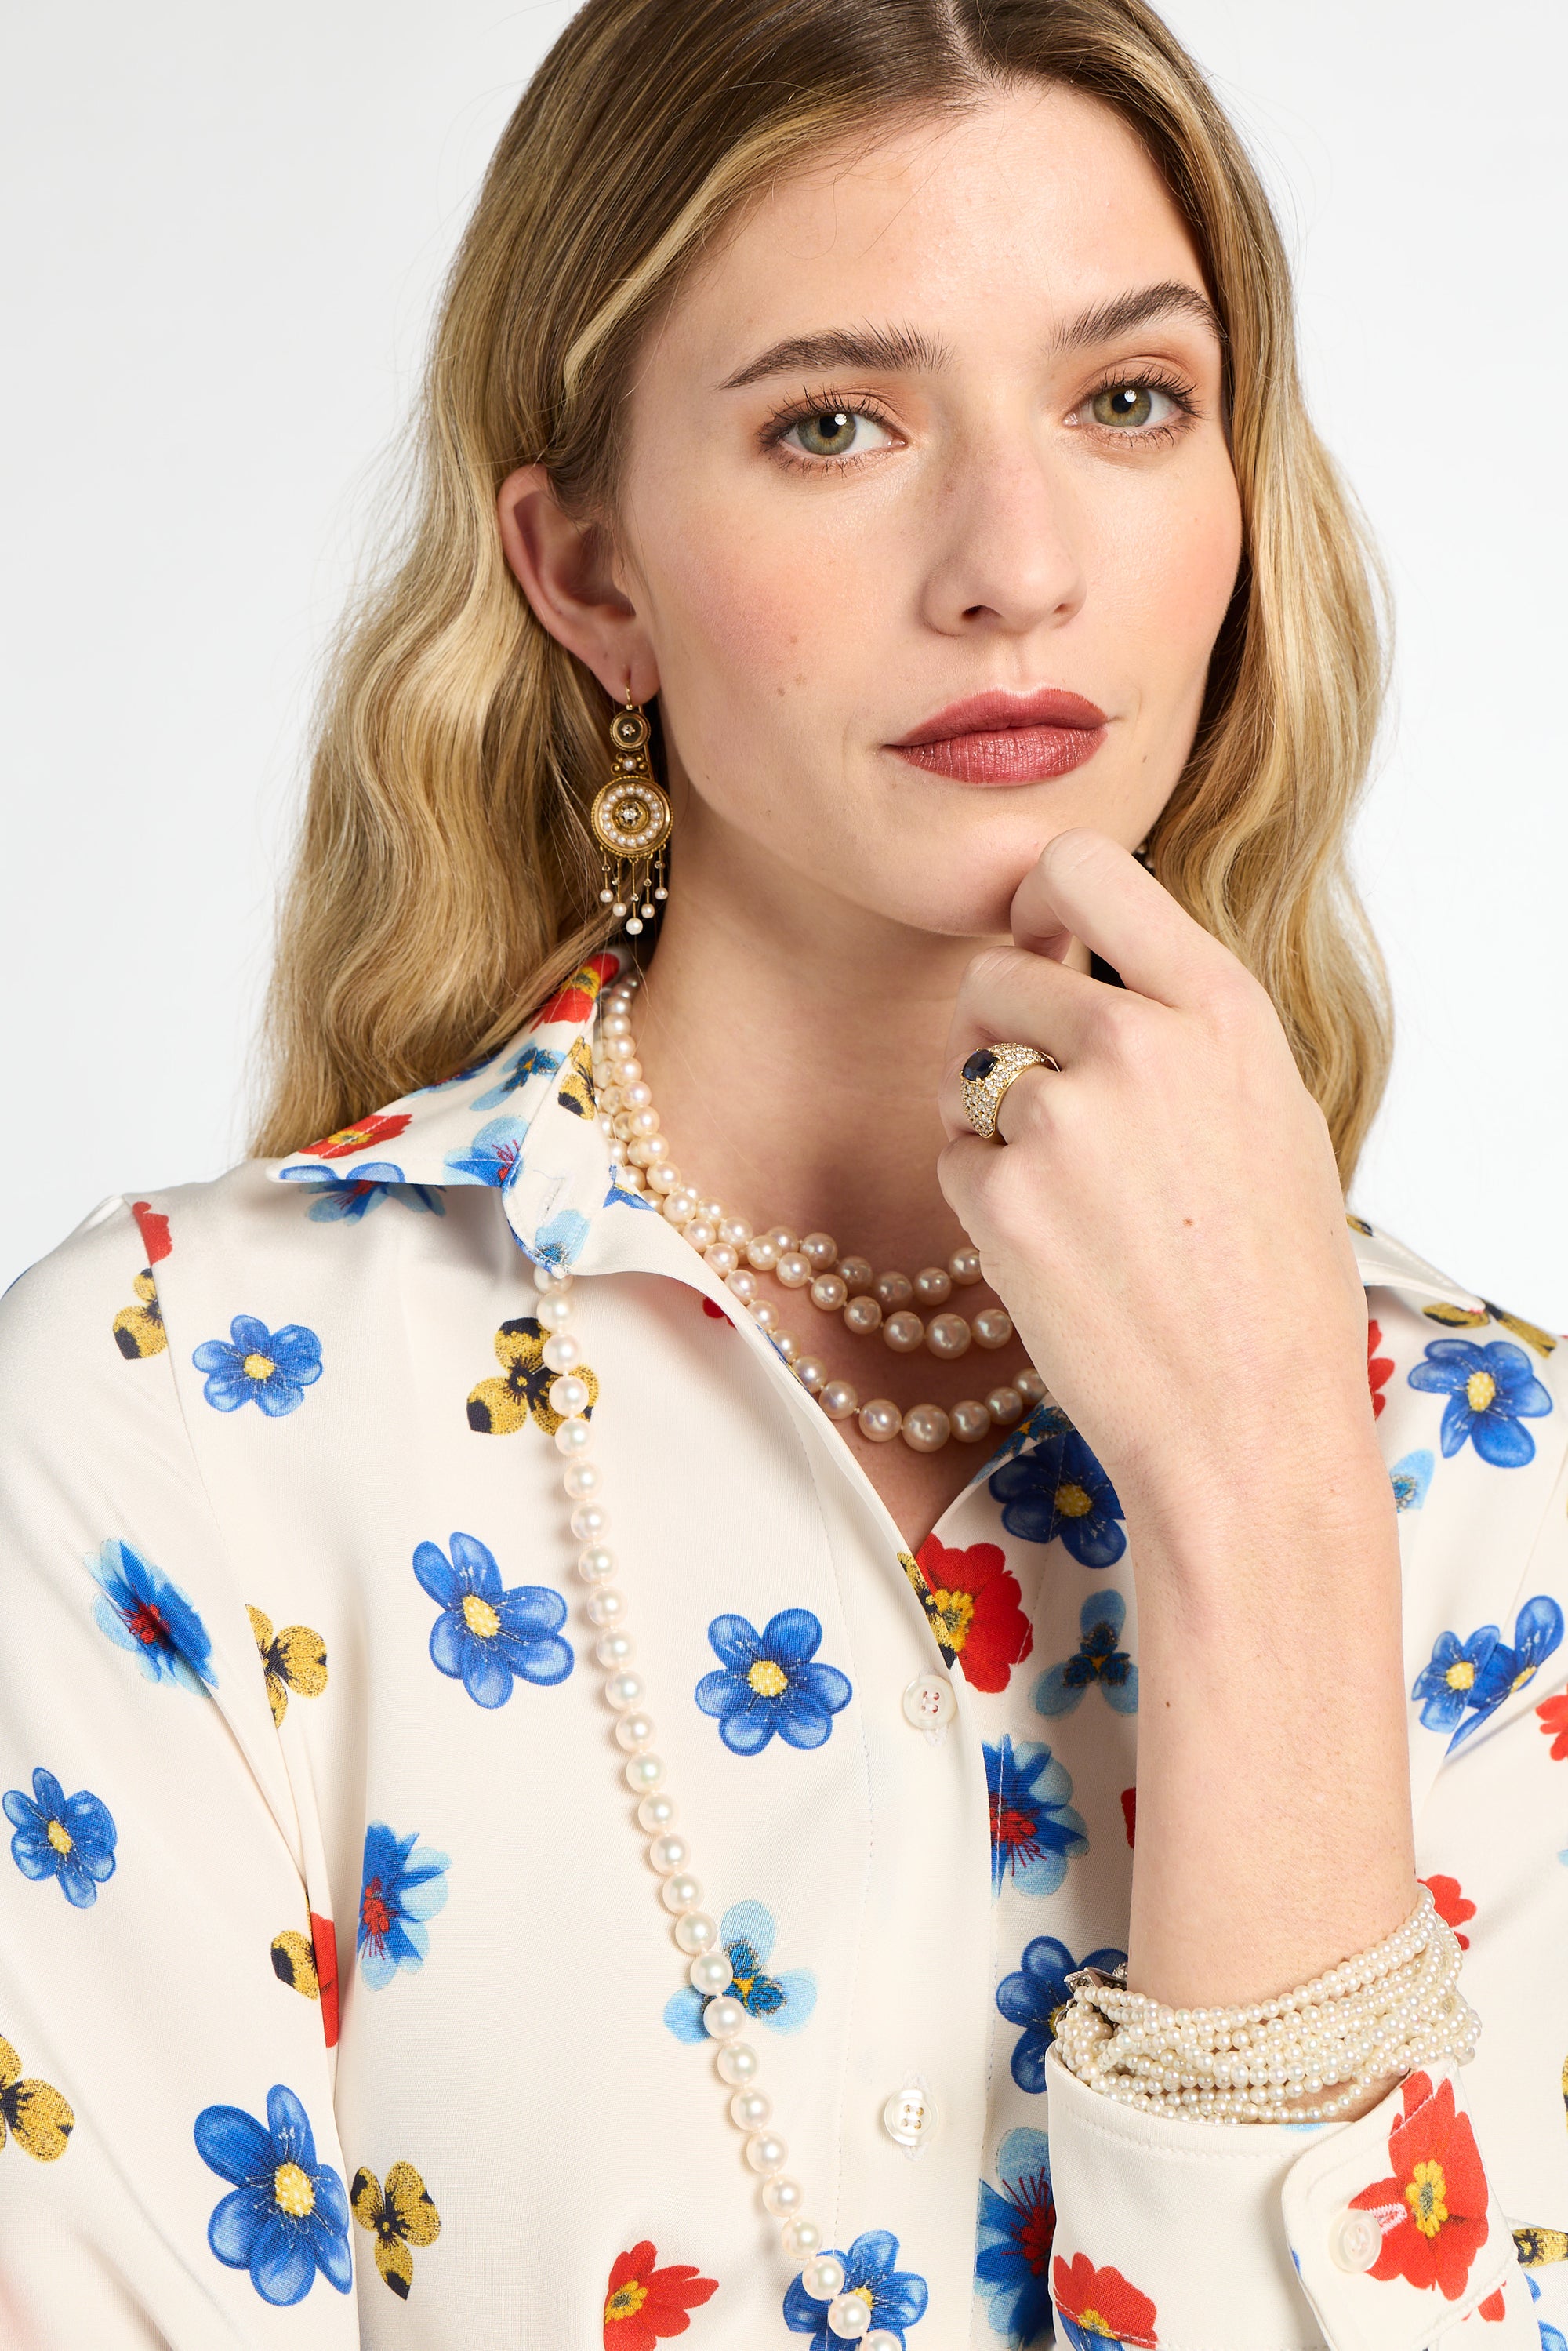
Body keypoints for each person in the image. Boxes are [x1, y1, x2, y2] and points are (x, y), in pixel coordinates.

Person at [2, 1, 1563, 2344]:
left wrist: (1267, 1530)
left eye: (1127, 401)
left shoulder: (1491, 1479)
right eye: (836, 424)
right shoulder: (179, 1423)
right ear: (588, 574)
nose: (1015, 565)